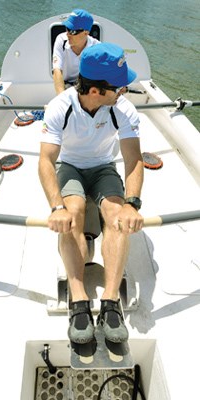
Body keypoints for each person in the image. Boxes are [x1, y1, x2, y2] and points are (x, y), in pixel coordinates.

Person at [39, 42, 144, 344]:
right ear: (96, 91)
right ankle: (79, 298)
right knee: (72, 214)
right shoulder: (61, 106)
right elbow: (46, 161)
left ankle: (111, 300)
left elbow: (133, 159)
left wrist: (132, 204)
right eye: (120, 88)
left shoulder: (122, 108)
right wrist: (56, 207)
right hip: (70, 166)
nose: (124, 92)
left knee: (115, 216)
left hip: (102, 168)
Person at [52, 9, 100, 95]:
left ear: (86, 32)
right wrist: (61, 100)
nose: (68, 34)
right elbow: (57, 71)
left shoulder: (96, 47)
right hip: (67, 84)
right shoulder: (61, 40)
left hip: (88, 84)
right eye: (67, 28)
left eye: (73, 31)